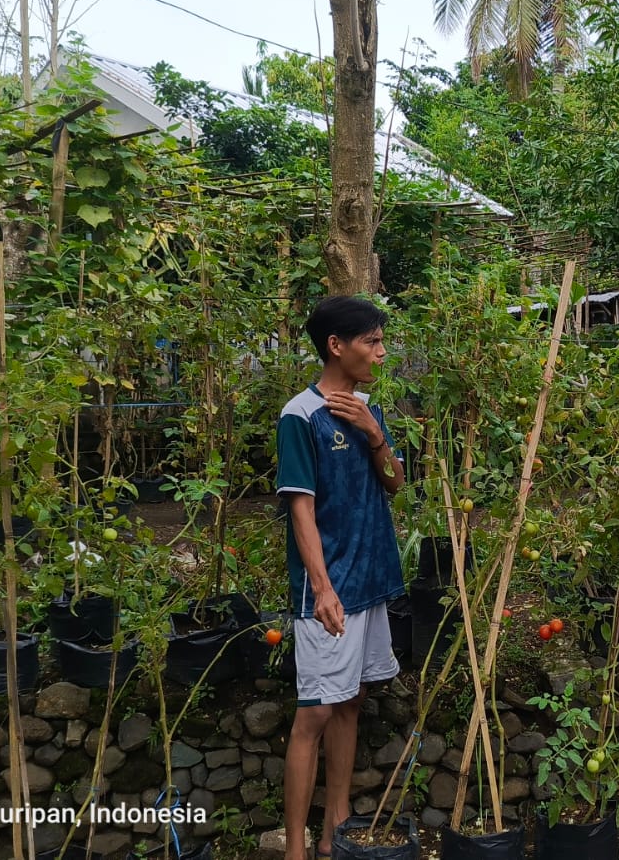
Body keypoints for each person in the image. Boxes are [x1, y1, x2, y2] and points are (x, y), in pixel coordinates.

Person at [277, 296, 406, 860]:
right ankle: (296, 848)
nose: (381, 352)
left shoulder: (367, 408)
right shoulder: (299, 416)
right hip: (328, 590)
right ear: (337, 346)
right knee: (314, 712)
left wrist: (374, 433)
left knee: (350, 701)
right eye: (372, 342)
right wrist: (323, 588)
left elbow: (395, 483)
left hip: (370, 579)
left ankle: (337, 829)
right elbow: (300, 510)